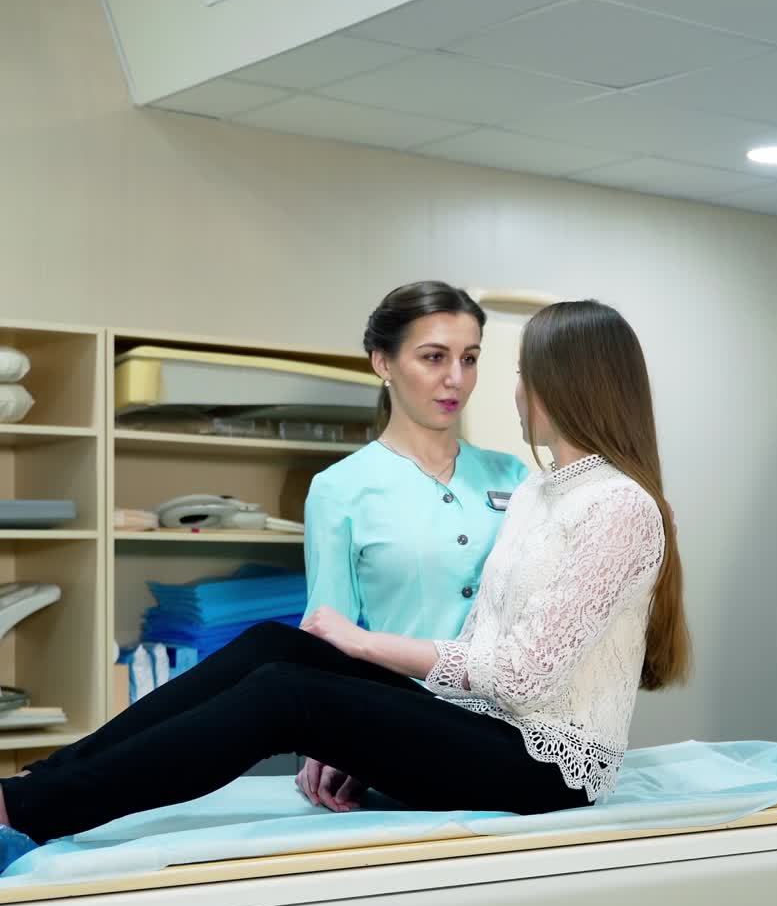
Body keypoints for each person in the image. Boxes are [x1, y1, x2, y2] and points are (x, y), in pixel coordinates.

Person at [0, 300, 690, 864]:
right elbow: (481, 640)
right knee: (279, 645)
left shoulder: (619, 507)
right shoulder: (539, 492)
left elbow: (524, 675)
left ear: (566, 383)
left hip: (549, 771)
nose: (508, 388)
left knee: (286, 694)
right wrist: (378, 733)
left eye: (518, 370)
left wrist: (366, 648)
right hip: (485, 732)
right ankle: (33, 784)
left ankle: (34, 811)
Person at [298, 280, 527, 810]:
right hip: (402, 723)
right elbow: (327, 629)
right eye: (433, 357)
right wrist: (327, 736)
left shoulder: (514, 476)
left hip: (512, 729)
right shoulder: (339, 489)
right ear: (383, 363)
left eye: (469, 359)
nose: (456, 379)